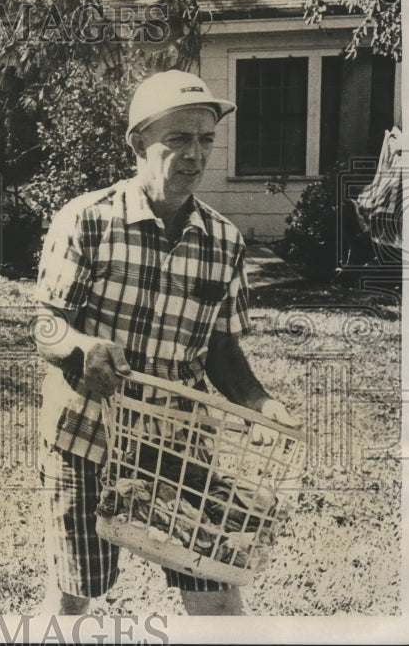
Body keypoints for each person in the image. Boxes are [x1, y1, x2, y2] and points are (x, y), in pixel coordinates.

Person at [35, 69, 295, 616]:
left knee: (215, 589)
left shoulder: (224, 241)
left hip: (177, 444)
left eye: (205, 140)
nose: (194, 155)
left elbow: (221, 349)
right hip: (87, 436)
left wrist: (259, 403)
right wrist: (81, 349)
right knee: (78, 589)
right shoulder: (86, 220)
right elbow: (47, 325)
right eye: (177, 139)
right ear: (138, 144)